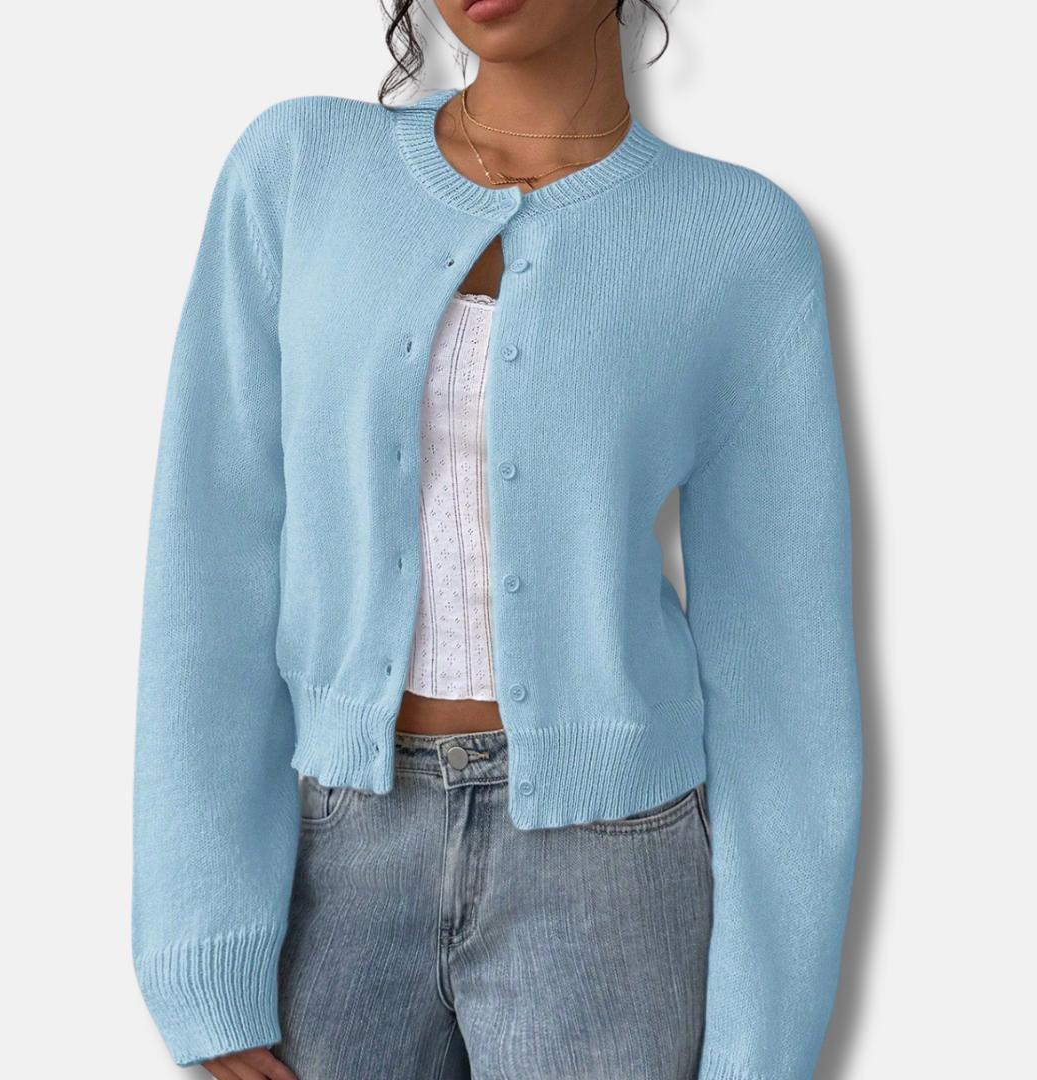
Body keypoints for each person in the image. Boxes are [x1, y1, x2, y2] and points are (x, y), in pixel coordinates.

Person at [131, 1, 864, 1078]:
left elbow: (783, 666)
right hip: (333, 854)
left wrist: (761, 1049)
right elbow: (211, 558)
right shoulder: (298, 170)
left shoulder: (736, 238)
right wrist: (202, 940)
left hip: (612, 868)